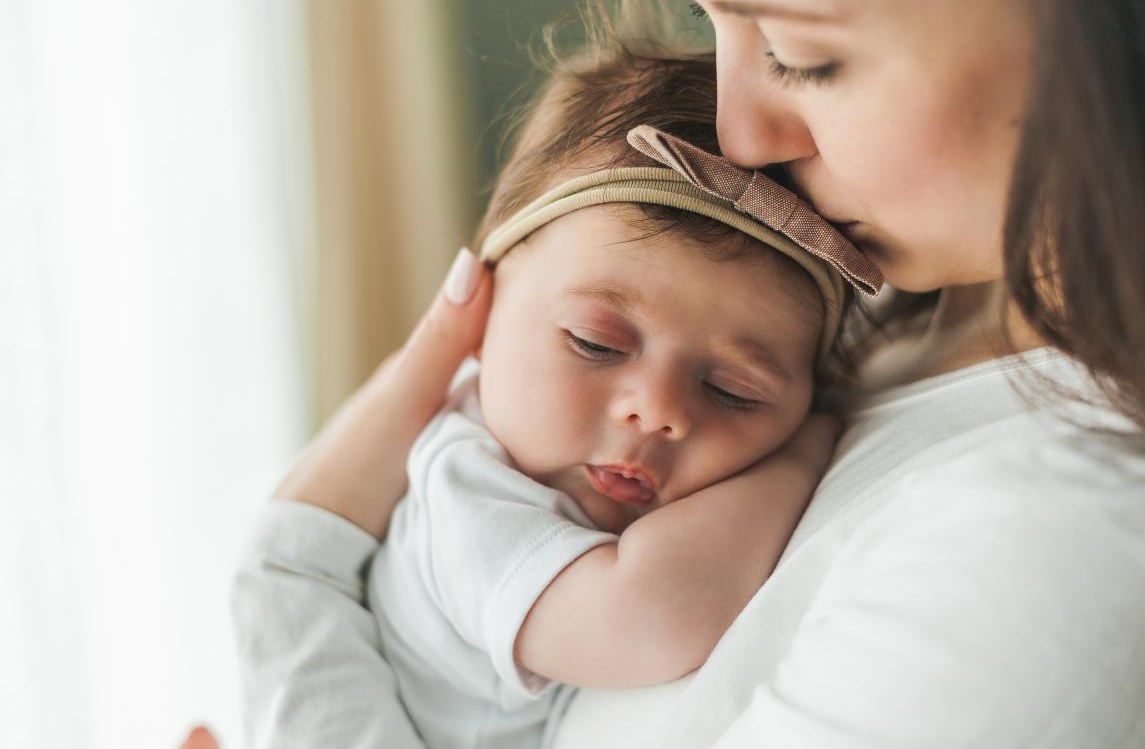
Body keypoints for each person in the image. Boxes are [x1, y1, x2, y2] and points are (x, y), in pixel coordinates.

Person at [226, 0, 1145, 747]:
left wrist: (291, 575)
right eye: (711, 18)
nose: (739, 138)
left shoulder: (1072, 551)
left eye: (801, 54)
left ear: (1108, 8)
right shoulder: (872, 313)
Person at [364, 45, 881, 749]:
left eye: (733, 391)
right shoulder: (464, 494)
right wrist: (806, 454)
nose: (658, 409)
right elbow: (649, 618)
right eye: (596, 344)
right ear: (481, 313)